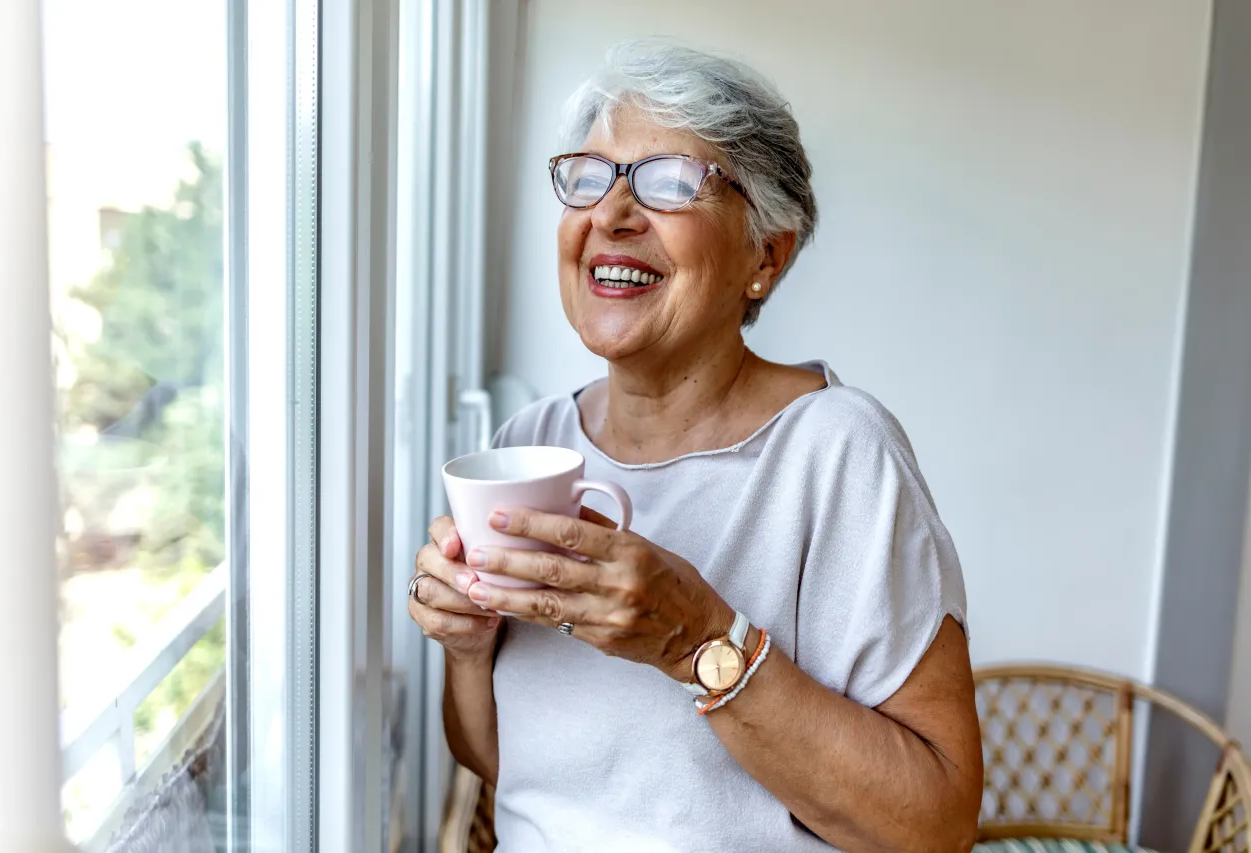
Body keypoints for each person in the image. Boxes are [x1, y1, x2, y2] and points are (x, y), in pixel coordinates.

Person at [408, 39, 982, 853]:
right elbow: (503, 761)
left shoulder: (839, 452)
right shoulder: (527, 444)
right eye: (589, 177)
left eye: (670, 182)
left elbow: (937, 824)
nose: (611, 214)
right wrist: (468, 649)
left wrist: (699, 639)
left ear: (765, 255)